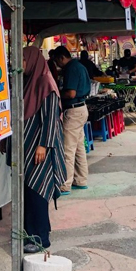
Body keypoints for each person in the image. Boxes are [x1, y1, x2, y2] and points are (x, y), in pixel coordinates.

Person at [0, 47, 66, 253]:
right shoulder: (26, 83)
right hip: (24, 149)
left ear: (32, 60)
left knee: (37, 191)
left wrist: (44, 145)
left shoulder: (45, 83)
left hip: (38, 151)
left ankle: (40, 239)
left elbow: (51, 119)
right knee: (26, 192)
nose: (19, 65)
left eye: (22, 60)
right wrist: (6, 139)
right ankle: (32, 233)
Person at [52, 46, 90, 194]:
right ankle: (81, 180)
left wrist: (56, 94)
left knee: (68, 149)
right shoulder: (79, 66)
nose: (57, 65)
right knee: (79, 147)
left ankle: (65, 184)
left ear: (62, 57)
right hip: (81, 109)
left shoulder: (71, 68)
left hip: (74, 111)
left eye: (57, 61)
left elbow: (71, 93)